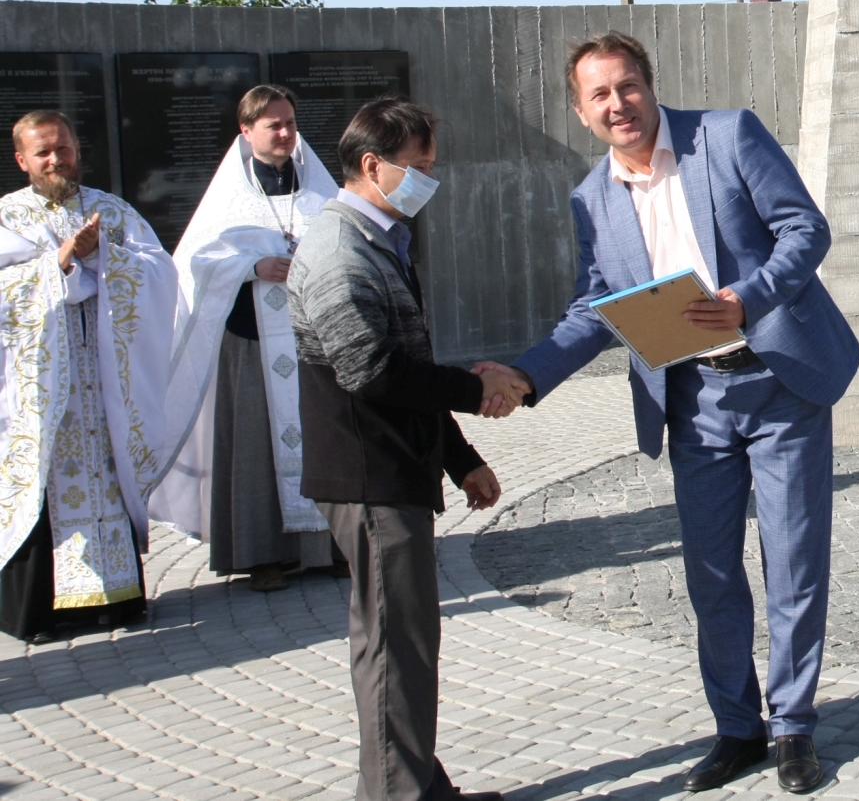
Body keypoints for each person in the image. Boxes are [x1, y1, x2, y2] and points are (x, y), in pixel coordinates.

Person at [472, 32, 859, 794]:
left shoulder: (728, 135)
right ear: (581, 112)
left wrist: (747, 297)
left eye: (628, 86)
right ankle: (737, 728)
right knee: (710, 573)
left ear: (650, 86)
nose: (617, 104)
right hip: (691, 400)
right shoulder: (593, 197)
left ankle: (793, 726)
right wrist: (525, 375)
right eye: (599, 95)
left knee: (792, 563)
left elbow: (805, 229)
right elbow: (594, 310)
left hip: (778, 385)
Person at [289, 98, 523, 801]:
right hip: (369, 474)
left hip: (392, 467)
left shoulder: (378, 239)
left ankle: (417, 785)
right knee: (395, 648)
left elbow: (406, 363)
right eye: (418, 167)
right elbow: (372, 371)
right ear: (372, 165)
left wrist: (461, 459)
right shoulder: (339, 251)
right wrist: (476, 388)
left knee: (406, 645)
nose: (428, 179)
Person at [150, 84, 343, 591]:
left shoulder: (318, 190)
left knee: (324, 436)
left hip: (311, 338)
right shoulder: (229, 198)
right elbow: (197, 263)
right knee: (255, 445)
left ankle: (329, 547)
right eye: (273, 125)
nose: (285, 133)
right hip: (252, 340)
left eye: (290, 123)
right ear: (246, 131)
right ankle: (263, 556)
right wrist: (253, 266)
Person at [0, 111, 175, 643]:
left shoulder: (112, 210)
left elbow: (160, 272)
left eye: (64, 148)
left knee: (106, 471)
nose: (56, 160)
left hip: (104, 385)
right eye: (43, 152)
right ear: (22, 160)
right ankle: (39, 610)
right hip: (42, 387)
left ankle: (113, 599)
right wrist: (59, 262)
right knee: (41, 479)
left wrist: (105, 256)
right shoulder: (8, 217)